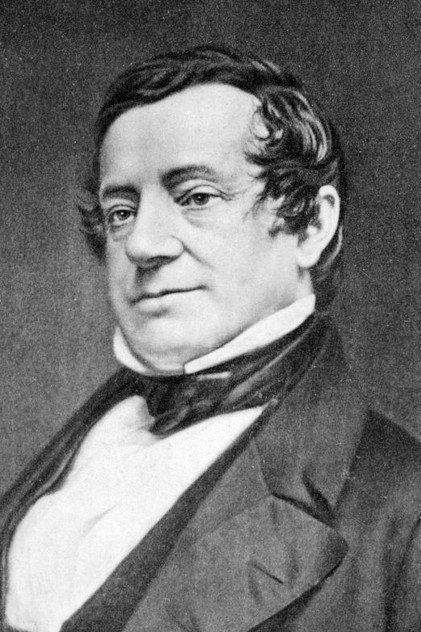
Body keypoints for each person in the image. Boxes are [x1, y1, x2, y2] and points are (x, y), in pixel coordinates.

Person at [1, 45, 421, 632]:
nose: (142, 244)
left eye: (197, 197)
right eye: (121, 210)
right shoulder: (95, 437)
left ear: (311, 225)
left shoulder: (404, 509)